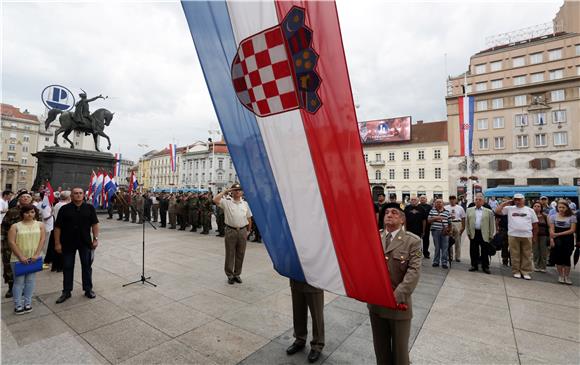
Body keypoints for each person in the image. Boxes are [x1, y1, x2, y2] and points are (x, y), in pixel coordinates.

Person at [368, 203, 421, 365]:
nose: (389, 215)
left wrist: (396, 297)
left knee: (400, 354)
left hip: (398, 305)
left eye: (394, 213)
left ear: (403, 220)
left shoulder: (412, 241)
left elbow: (414, 272)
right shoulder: (375, 237)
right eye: (386, 213)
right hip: (376, 304)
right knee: (381, 350)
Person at [54, 188, 99, 303]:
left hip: (85, 242)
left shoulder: (89, 208)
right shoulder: (64, 209)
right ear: (72, 196)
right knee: (68, 267)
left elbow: (95, 224)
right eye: (75, 193)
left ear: (83, 195)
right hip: (68, 242)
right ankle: (66, 291)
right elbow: (57, 227)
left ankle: (88, 289)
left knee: (87, 266)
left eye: (80, 193)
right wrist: (57, 243)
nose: (78, 195)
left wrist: (95, 239)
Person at [7, 204, 45, 314]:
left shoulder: (40, 225)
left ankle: (27, 303)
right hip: (18, 258)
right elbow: (11, 242)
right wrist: (21, 256)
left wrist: (37, 254)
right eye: (27, 212)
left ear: (35, 213)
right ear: (22, 213)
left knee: (30, 281)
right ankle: (18, 304)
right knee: (18, 282)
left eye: (32, 212)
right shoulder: (15, 226)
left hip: (34, 258)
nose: (29, 214)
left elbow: (42, 240)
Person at [1, 191, 41, 298]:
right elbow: (4, 226)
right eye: (23, 197)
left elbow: (39, 227)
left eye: (28, 197)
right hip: (11, 243)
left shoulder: (35, 211)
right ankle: (11, 287)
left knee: (28, 265)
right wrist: (3, 241)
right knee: (9, 266)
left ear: (31, 199)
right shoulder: (12, 211)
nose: (25, 198)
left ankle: (24, 288)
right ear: (19, 199)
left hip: (28, 243)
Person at [213, 184, 252, 284]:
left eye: (239, 190)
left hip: (243, 230)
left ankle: (237, 274)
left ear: (242, 192)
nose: (238, 191)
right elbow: (215, 199)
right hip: (231, 230)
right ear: (232, 192)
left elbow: (248, 218)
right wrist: (226, 191)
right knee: (230, 253)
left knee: (241, 253)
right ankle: (229, 275)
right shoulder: (227, 203)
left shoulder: (245, 204)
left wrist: (248, 231)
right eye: (235, 190)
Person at [496, 193, 538, 280]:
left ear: (523, 200)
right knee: (515, 254)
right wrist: (506, 202)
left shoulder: (530, 210)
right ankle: (516, 271)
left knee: (527, 254)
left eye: (519, 199)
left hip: (527, 235)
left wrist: (534, 236)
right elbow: (497, 211)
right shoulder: (510, 209)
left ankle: (525, 271)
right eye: (516, 199)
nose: (517, 201)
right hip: (513, 235)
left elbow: (535, 225)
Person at [286, 279, 324, 363]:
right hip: (296, 275)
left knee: (317, 314)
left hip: (314, 278)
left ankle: (317, 345)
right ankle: (300, 339)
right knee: (298, 309)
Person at [548, 200, 577, 285]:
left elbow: (572, 230)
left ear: (567, 208)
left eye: (563, 207)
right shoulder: (553, 216)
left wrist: (558, 234)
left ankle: (567, 276)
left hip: (568, 239)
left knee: (567, 257)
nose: (561, 209)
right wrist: (552, 239)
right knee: (558, 257)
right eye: (559, 207)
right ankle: (560, 275)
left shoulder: (572, 217)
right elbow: (551, 229)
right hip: (557, 239)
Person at [466, 194, 495, 274]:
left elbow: (491, 224)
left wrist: (491, 235)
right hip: (474, 233)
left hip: (484, 233)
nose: (478, 201)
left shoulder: (488, 211)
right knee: (473, 250)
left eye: (480, 200)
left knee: (485, 250)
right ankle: (474, 265)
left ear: (483, 201)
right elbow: (467, 223)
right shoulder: (469, 210)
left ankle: (485, 266)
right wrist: (468, 232)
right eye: (476, 199)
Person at [45, 191, 70, 272]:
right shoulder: (65, 205)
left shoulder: (57, 204)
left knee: (55, 247)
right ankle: (60, 266)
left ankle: (55, 265)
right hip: (62, 228)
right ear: (68, 197)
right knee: (62, 248)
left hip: (56, 226)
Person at [428, 199, 451, 269]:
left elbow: (450, 223)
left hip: (444, 232)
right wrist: (436, 218)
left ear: (443, 203)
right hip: (435, 231)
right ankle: (436, 261)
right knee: (437, 247)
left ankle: (444, 262)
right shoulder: (432, 211)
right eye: (437, 202)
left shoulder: (447, 212)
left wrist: (449, 230)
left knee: (445, 247)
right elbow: (428, 221)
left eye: (440, 202)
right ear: (435, 204)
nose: (438, 204)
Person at [445, 196, 465, 262]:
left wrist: (463, 227)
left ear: (455, 200)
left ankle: (457, 257)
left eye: (453, 199)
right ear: (449, 200)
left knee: (458, 241)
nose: (452, 200)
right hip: (449, 223)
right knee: (449, 240)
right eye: (451, 199)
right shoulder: (446, 207)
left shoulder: (460, 208)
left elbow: (463, 218)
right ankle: (450, 256)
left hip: (457, 223)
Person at [532, 201, 549, 273]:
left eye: (538, 206)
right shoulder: (530, 215)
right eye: (535, 206)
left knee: (543, 251)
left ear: (541, 208)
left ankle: (543, 266)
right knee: (535, 251)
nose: (536, 208)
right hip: (533, 235)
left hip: (543, 236)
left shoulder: (545, 216)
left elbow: (549, 226)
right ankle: (536, 265)